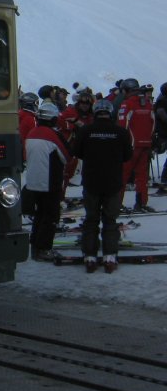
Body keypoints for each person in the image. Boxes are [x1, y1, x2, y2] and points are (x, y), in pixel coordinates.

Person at [73, 99, 133, 273]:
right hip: (113, 182)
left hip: (91, 181)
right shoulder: (120, 132)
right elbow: (128, 155)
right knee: (110, 221)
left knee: (91, 220)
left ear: (96, 112)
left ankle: (90, 257)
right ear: (110, 112)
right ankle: (110, 257)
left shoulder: (86, 130)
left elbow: (77, 152)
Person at [23, 102, 70, 261]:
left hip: (33, 181)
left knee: (39, 214)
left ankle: (35, 246)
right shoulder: (53, 135)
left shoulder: (32, 133)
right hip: (50, 181)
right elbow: (66, 155)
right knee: (50, 216)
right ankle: (44, 248)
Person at [119, 83, 156, 212]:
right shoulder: (147, 102)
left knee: (122, 175)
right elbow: (153, 123)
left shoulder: (127, 104)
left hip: (131, 145)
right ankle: (141, 203)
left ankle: (116, 204)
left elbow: (122, 125)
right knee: (142, 176)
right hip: (145, 144)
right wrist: (148, 139)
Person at [58, 88, 94, 197]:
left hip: (83, 148)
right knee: (63, 173)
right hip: (68, 146)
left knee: (76, 173)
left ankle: (89, 196)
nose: (85, 105)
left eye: (87, 103)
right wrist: (73, 125)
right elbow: (58, 121)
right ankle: (59, 196)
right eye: (82, 102)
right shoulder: (71, 111)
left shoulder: (91, 116)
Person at [155, 82, 167, 189]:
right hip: (163, 132)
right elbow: (161, 115)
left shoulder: (161, 100)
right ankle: (165, 178)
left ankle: (165, 177)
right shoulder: (162, 101)